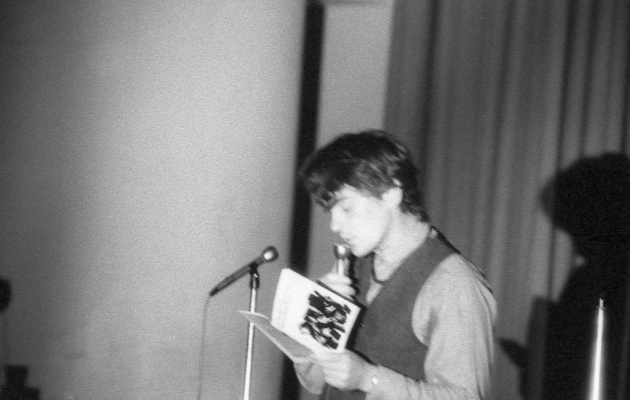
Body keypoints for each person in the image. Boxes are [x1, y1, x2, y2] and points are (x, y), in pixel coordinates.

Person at [293, 130, 496, 399]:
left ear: (390, 193)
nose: (334, 226)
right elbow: (317, 383)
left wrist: (369, 378)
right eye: (329, 211)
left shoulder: (454, 283)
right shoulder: (352, 267)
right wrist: (320, 324)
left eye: (346, 208)